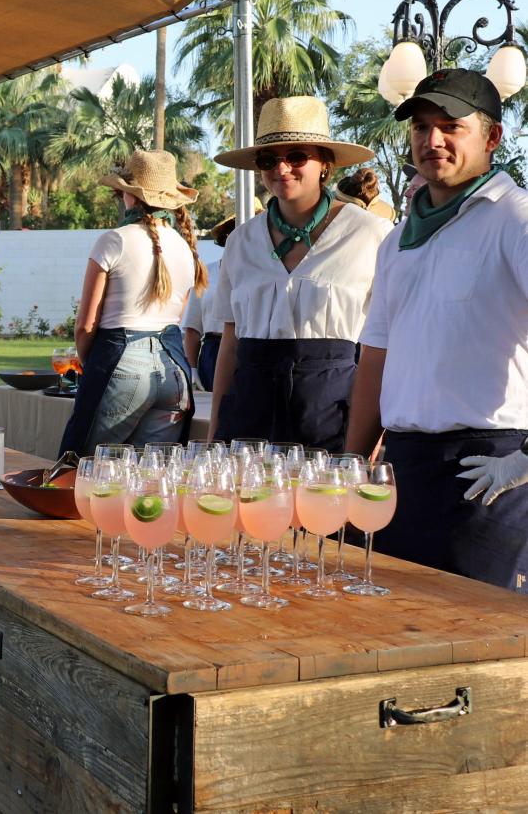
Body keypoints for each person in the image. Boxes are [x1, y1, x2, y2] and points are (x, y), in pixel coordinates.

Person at [346, 68, 528, 592]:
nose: (433, 141)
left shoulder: (514, 219)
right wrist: (353, 463)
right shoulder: (397, 238)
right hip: (403, 465)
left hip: (487, 471)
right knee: (389, 626)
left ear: (492, 137)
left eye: (451, 126)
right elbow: (375, 354)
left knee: (476, 645)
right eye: (421, 127)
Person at [206, 96, 390, 452]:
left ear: (325, 164)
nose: (282, 168)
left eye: (296, 157)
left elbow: (383, 349)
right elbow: (230, 343)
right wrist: (215, 431)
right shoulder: (241, 241)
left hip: (332, 416)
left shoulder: (370, 234)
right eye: (268, 159)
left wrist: (368, 445)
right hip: (248, 417)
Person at [58, 150, 207, 456]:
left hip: (122, 360)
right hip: (174, 369)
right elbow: (176, 316)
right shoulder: (185, 248)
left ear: (130, 197)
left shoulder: (114, 239)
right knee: (150, 482)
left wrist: (96, 369)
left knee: (86, 470)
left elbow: (86, 325)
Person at [182, 200, 262, 392]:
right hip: (213, 353)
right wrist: (191, 369)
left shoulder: (267, 275)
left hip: (254, 350)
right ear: (227, 235)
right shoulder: (206, 274)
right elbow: (192, 329)